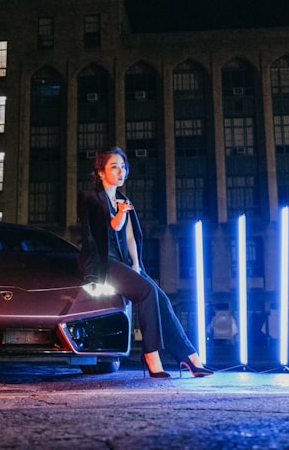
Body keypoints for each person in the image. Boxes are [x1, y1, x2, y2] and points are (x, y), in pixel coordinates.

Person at [77, 146, 212, 378]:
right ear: (100, 172)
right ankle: (151, 354)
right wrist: (120, 212)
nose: (120, 171)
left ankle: (190, 357)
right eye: (113, 167)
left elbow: (130, 237)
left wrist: (137, 265)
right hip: (102, 263)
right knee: (147, 292)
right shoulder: (90, 198)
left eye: (123, 166)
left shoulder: (124, 200)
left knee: (160, 298)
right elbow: (113, 226)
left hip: (123, 262)